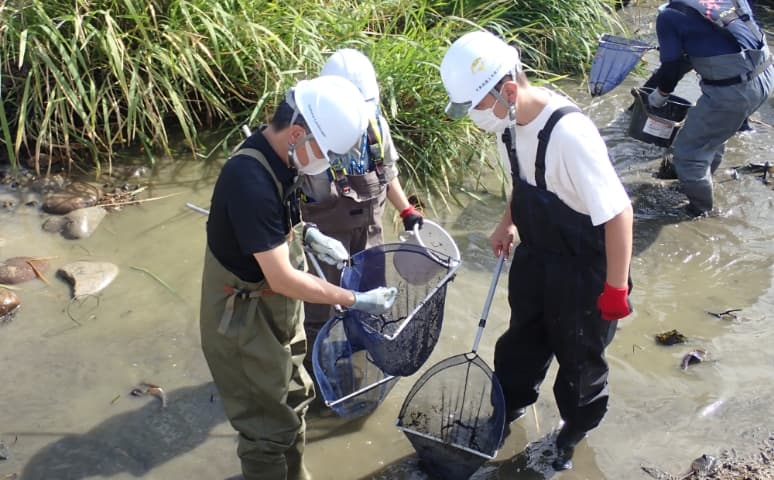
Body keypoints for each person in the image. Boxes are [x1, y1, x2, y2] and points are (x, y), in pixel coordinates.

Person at [440, 31, 634, 471]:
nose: (474, 118)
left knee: (579, 362)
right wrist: (507, 222)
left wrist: (616, 289)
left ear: (508, 90)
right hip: (537, 256)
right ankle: (509, 409)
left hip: (586, 270)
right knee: (519, 346)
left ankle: (573, 432)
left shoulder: (569, 134)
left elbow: (619, 213)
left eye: (475, 107)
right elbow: (524, 182)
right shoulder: (507, 124)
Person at [199, 75, 398, 480]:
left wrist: (310, 234)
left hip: (275, 309)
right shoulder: (249, 179)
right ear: (296, 133)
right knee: (266, 430)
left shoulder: (283, 160)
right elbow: (284, 277)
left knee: (297, 397)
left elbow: (272, 228)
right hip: (242, 321)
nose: (326, 162)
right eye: (324, 151)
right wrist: (352, 299)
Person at [300, 48, 423, 362]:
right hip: (324, 238)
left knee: (371, 296)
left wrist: (406, 210)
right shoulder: (306, 132)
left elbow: (387, 172)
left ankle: (359, 354)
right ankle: (318, 372)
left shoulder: (376, 121)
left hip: (369, 232)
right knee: (320, 308)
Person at [645, 0, 773, 215]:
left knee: (688, 153)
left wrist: (659, 96)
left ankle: (700, 212)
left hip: (734, 91)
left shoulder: (669, 15)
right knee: (712, 135)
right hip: (765, 74)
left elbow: (671, 66)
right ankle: (700, 180)